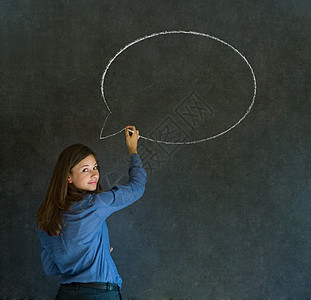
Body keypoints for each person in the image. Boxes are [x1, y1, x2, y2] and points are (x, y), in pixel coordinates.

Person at [36, 126, 146, 300]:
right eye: (85, 170)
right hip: (99, 294)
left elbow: (50, 268)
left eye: (95, 167)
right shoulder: (95, 204)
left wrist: (90, 255)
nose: (95, 174)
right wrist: (133, 150)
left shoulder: (45, 217)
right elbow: (137, 187)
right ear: (68, 177)